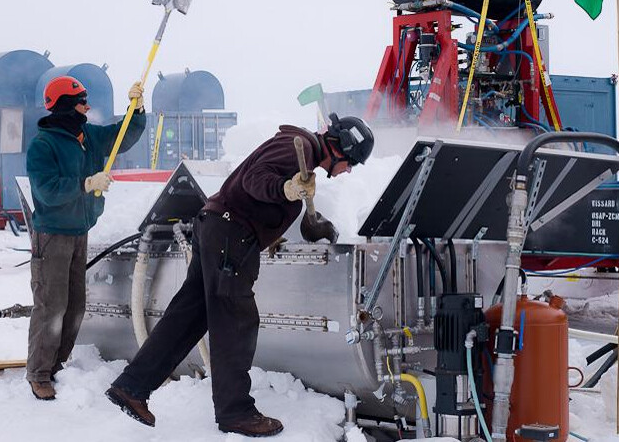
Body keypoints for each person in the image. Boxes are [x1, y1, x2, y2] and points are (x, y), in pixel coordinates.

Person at [106, 113, 374, 436]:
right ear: (341, 148)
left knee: (188, 317)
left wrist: (284, 223)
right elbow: (255, 181)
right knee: (236, 321)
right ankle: (235, 412)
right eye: (352, 164)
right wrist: (286, 188)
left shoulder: (303, 154)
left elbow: (262, 194)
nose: (347, 172)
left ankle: (132, 387)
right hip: (231, 235)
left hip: (218, 228)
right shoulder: (297, 146)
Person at [26, 76, 147, 400]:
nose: (88, 106)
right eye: (82, 101)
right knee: (51, 307)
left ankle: (56, 367)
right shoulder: (44, 146)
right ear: (66, 105)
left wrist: (136, 110)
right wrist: (85, 184)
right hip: (52, 235)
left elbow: (122, 137)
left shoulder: (88, 136)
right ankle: (39, 373)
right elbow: (47, 191)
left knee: (75, 307)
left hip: (80, 230)